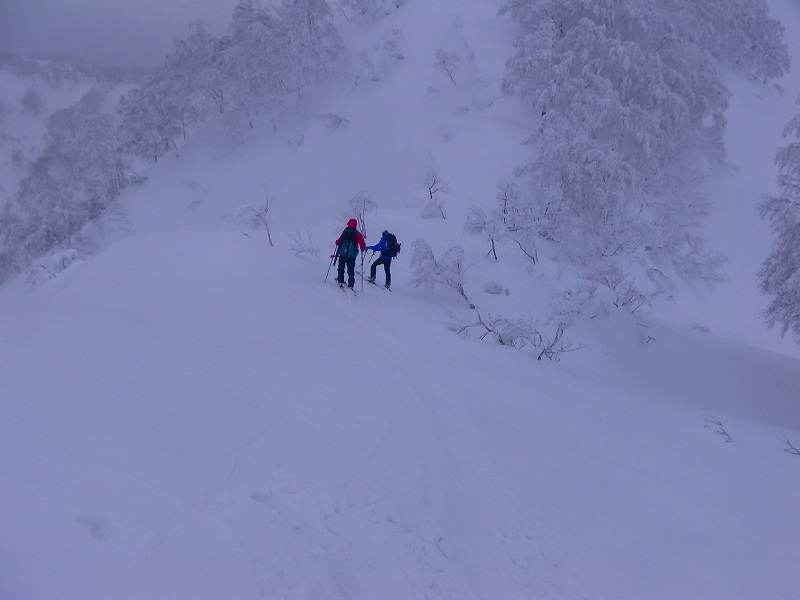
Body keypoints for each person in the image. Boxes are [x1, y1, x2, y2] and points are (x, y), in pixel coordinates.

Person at [334, 218, 366, 289]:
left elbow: (339, 240)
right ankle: (351, 284)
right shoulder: (357, 234)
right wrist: (362, 248)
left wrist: (337, 242)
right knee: (351, 269)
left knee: (341, 267)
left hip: (342, 253)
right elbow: (362, 244)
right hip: (352, 255)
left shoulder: (345, 231)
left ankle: (340, 280)